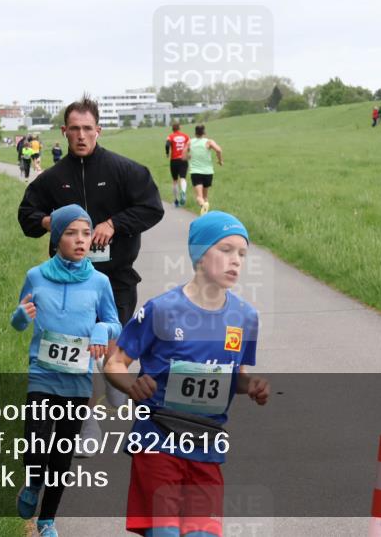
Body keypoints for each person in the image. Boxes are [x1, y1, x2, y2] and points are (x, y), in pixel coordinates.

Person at [104, 211, 269, 537]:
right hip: (158, 439)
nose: (235, 260)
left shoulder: (245, 317)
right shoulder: (162, 309)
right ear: (199, 255)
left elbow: (236, 375)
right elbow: (115, 362)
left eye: (242, 254)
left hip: (207, 444)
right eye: (225, 249)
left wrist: (252, 385)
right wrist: (131, 385)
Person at [18, 96, 165, 446]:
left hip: (115, 277)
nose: (81, 135)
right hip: (67, 283)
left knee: (110, 348)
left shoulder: (124, 171)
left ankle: (113, 375)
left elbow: (152, 208)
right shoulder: (52, 179)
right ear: (64, 131)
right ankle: (87, 423)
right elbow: (26, 216)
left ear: (98, 130)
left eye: (87, 128)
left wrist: (115, 224)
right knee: (79, 351)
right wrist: (50, 221)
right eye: (74, 129)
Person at [10, 204, 122, 537]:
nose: (81, 240)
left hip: (77, 379)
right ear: (57, 238)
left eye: (86, 233)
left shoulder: (100, 282)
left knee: (61, 455)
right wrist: (20, 317)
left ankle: (47, 521)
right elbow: (18, 319)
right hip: (43, 374)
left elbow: (114, 323)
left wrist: (102, 330)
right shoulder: (36, 276)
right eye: (71, 233)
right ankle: (33, 483)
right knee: (36, 446)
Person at [184, 125, 222, 216]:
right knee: (205, 197)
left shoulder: (190, 142)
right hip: (208, 173)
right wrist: (220, 160)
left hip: (196, 172)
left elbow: (183, 155)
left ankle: (203, 206)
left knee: (199, 197)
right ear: (204, 132)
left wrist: (188, 156)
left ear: (195, 133)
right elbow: (219, 150)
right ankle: (206, 216)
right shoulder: (209, 142)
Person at [166, 123, 190, 208]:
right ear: (180, 128)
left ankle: (176, 200)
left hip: (174, 160)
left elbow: (167, 145)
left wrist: (167, 153)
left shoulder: (170, 136)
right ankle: (183, 191)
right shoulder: (186, 136)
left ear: (172, 128)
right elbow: (189, 146)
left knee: (175, 180)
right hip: (183, 159)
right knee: (183, 178)